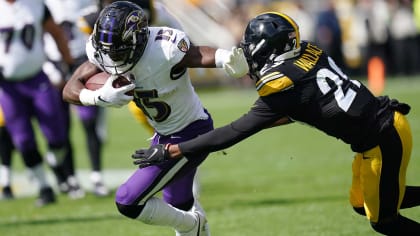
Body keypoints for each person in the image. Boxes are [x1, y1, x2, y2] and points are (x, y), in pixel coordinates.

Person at [132, 12, 420, 235]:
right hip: (385, 128)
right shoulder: (308, 51)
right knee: (363, 202)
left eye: (255, 48)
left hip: (382, 139)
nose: (251, 53)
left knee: (383, 222)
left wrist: (173, 150)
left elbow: (234, 132)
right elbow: (309, 105)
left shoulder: (282, 85)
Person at [62, 1, 247, 235]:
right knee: (180, 204)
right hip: (164, 133)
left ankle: (193, 224)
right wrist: (96, 97)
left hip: (191, 131)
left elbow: (196, 54)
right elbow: (69, 88)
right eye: (107, 50)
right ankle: (193, 225)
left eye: (117, 51)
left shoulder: (164, 48)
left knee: (128, 200)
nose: (111, 58)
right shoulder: (103, 48)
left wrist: (226, 57)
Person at [0, 0, 77, 206]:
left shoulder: (35, 4)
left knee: (57, 135)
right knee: (23, 140)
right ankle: (44, 188)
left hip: (37, 79)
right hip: (7, 86)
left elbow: (56, 33)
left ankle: (54, 162)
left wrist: (69, 65)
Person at [43, 0, 106, 197]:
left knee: (89, 122)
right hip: (54, 62)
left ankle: (96, 175)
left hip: (84, 60)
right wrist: (47, 65)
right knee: (62, 127)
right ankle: (69, 178)